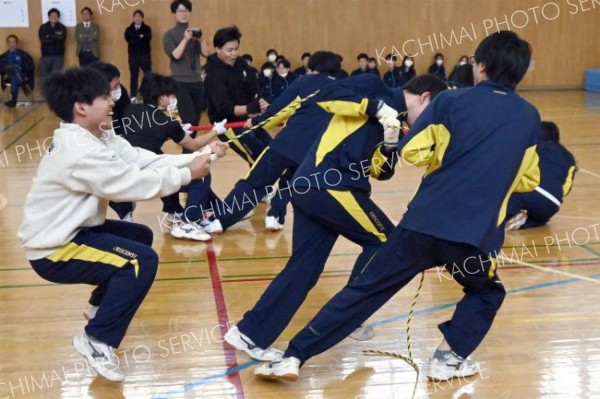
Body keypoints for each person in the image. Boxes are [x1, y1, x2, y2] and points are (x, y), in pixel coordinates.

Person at [253, 30, 541, 383]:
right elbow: (528, 178)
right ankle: (447, 360)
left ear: (479, 66)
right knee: (485, 292)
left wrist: (444, 158)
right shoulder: (529, 118)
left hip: (421, 225)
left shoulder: (450, 102)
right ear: (521, 72)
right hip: (473, 236)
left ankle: (293, 356)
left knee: (365, 291)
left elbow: (412, 151)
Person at [224, 74, 447, 362]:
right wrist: (374, 107)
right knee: (386, 241)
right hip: (326, 185)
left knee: (304, 269)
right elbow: (326, 97)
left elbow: (381, 171)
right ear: (425, 97)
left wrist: (391, 144)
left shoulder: (397, 122)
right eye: (432, 114)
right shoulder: (373, 87)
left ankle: (248, 333)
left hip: (315, 189)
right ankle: (351, 311)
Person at [17, 67, 218, 382]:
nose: (113, 101)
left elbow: (140, 159)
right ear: (81, 107)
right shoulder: (80, 151)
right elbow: (130, 184)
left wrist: (198, 156)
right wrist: (186, 174)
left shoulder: (98, 134)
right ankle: (97, 339)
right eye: (103, 96)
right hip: (54, 249)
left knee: (140, 235)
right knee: (139, 261)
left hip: (75, 231)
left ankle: (100, 309)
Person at [202, 51, 344, 234]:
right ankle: (275, 216)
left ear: (313, 68)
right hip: (315, 152)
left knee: (254, 182)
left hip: (285, 144)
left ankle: (219, 221)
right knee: (290, 182)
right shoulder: (343, 90)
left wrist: (254, 122)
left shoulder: (304, 81)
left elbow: (278, 110)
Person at [108, 73, 228, 240]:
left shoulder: (130, 109)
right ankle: (188, 221)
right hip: (148, 173)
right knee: (200, 174)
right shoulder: (168, 122)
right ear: (162, 97)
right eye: (171, 95)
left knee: (162, 158)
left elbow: (143, 133)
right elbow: (193, 145)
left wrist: (177, 131)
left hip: (124, 170)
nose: (173, 99)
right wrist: (216, 131)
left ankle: (176, 211)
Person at [204, 25, 271, 166]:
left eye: (236, 49)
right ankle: (252, 188)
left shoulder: (241, 64)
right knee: (259, 160)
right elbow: (224, 108)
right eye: (229, 50)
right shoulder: (213, 74)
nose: (234, 53)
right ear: (217, 50)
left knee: (272, 150)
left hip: (247, 119)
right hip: (228, 125)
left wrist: (261, 103)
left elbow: (254, 89)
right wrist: (249, 108)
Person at [505, 121, 577, 230]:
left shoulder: (533, 145)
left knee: (498, 213)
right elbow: (565, 190)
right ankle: (526, 222)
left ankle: (508, 216)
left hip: (526, 193)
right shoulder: (569, 157)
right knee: (541, 220)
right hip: (552, 202)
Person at [163, 0, 209, 125]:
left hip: (197, 81)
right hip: (180, 82)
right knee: (189, 119)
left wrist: (201, 39)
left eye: (187, 11)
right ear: (174, 14)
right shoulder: (169, 35)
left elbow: (206, 53)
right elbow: (175, 55)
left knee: (196, 122)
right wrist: (185, 39)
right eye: (180, 11)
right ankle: (188, 143)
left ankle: (189, 144)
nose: (184, 14)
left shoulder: (195, 32)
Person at [89, 62, 131, 132]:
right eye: (115, 86)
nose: (118, 88)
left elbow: (128, 116)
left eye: (119, 84)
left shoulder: (122, 91)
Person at [0, 35, 34, 108]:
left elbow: (30, 66)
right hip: (8, 76)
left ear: (16, 43)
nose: (12, 44)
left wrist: (19, 68)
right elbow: (1, 68)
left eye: (14, 42)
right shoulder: (3, 56)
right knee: (13, 70)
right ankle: (22, 85)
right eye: (10, 42)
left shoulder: (23, 54)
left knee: (14, 74)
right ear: (8, 43)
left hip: (22, 74)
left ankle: (13, 101)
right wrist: (5, 72)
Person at [124, 9, 152, 98]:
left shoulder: (147, 29)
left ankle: (149, 94)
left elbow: (147, 39)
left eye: (139, 16)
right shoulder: (128, 29)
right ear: (133, 18)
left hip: (144, 55)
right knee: (133, 75)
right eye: (136, 16)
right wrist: (139, 37)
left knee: (148, 75)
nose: (137, 18)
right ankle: (133, 96)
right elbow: (128, 39)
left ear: (142, 18)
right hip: (133, 56)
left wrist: (135, 39)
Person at [38, 8, 66, 77]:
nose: (54, 17)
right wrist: (55, 37)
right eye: (52, 15)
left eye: (56, 16)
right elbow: (43, 39)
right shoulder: (43, 27)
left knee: (56, 77)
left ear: (58, 18)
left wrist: (49, 36)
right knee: (43, 76)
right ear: (49, 17)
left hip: (58, 56)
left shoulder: (62, 27)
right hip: (45, 56)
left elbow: (61, 39)